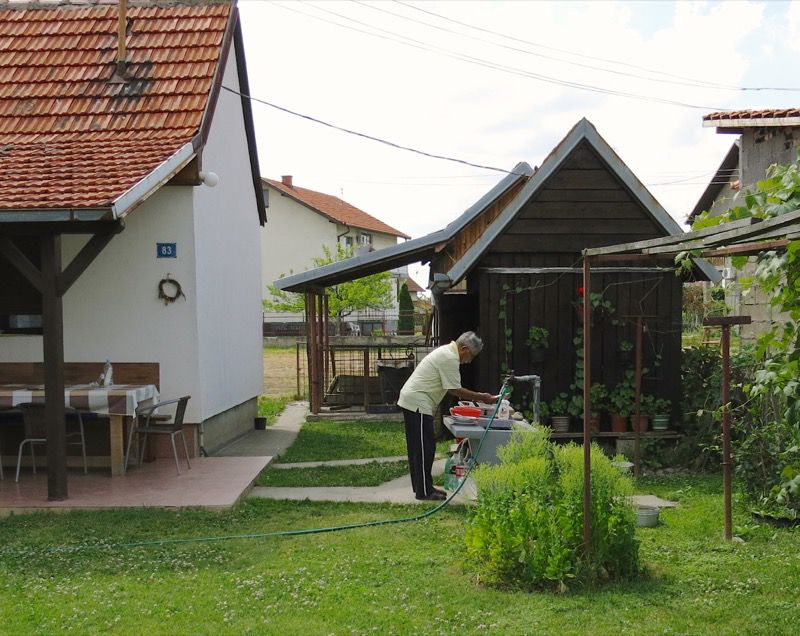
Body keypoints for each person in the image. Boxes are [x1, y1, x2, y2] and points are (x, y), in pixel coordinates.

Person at [397, 331, 498, 501]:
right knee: (424, 449)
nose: (470, 360)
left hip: (413, 401)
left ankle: (422, 488)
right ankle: (424, 491)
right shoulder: (449, 358)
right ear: (464, 348)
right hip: (417, 403)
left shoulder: (447, 352)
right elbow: (454, 389)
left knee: (419, 448)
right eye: (471, 355)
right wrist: (483, 397)